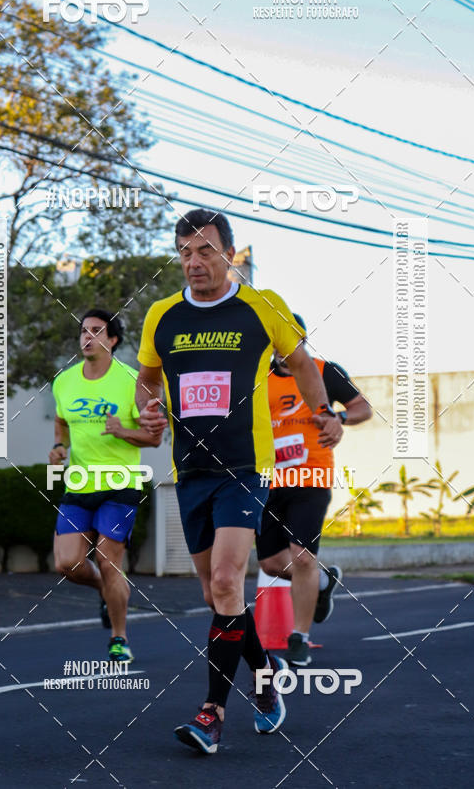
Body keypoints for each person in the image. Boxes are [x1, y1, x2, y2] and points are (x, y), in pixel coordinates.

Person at [135, 209, 342, 754]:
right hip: (190, 471)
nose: (194, 261)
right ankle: (267, 678)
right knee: (216, 595)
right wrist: (149, 411)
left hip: (245, 469)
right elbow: (148, 380)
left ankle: (212, 714)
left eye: (205, 250)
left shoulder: (262, 305)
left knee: (228, 582)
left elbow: (302, 364)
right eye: (185, 252)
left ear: (229, 255)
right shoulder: (162, 315)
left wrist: (324, 411)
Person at [257, 314, 372, 666]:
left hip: (311, 478)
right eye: (278, 338)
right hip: (268, 480)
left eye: (292, 338)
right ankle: (322, 582)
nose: (284, 346)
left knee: (303, 556)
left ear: (303, 339)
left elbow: (362, 407)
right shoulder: (258, 379)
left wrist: (340, 418)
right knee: (271, 563)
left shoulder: (324, 371)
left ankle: (300, 638)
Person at [50, 308, 163, 663]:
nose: (88, 337)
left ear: (113, 339)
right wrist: (59, 446)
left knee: (108, 559)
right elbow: (61, 420)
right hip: (80, 484)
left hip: (121, 484)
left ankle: (119, 638)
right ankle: (107, 589)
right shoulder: (64, 382)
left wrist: (122, 431)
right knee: (67, 563)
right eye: (84, 331)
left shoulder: (133, 381)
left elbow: (153, 438)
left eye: (97, 331)